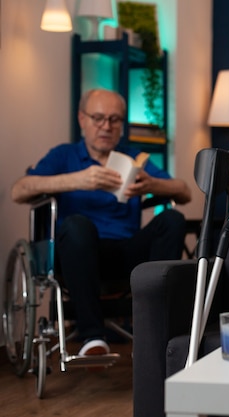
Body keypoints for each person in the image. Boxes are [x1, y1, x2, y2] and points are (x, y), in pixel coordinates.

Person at [11, 88, 192, 356]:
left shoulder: (132, 159)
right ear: (82, 119)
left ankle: (156, 331)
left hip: (124, 252)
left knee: (173, 219)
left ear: (121, 125)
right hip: (77, 253)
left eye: (114, 119)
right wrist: (77, 180)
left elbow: (184, 191)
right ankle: (92, 337)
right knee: (76, 226)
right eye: (98, 118)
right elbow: (19, 190)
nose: (106, 126)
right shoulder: (64, 156)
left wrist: (150, 184)